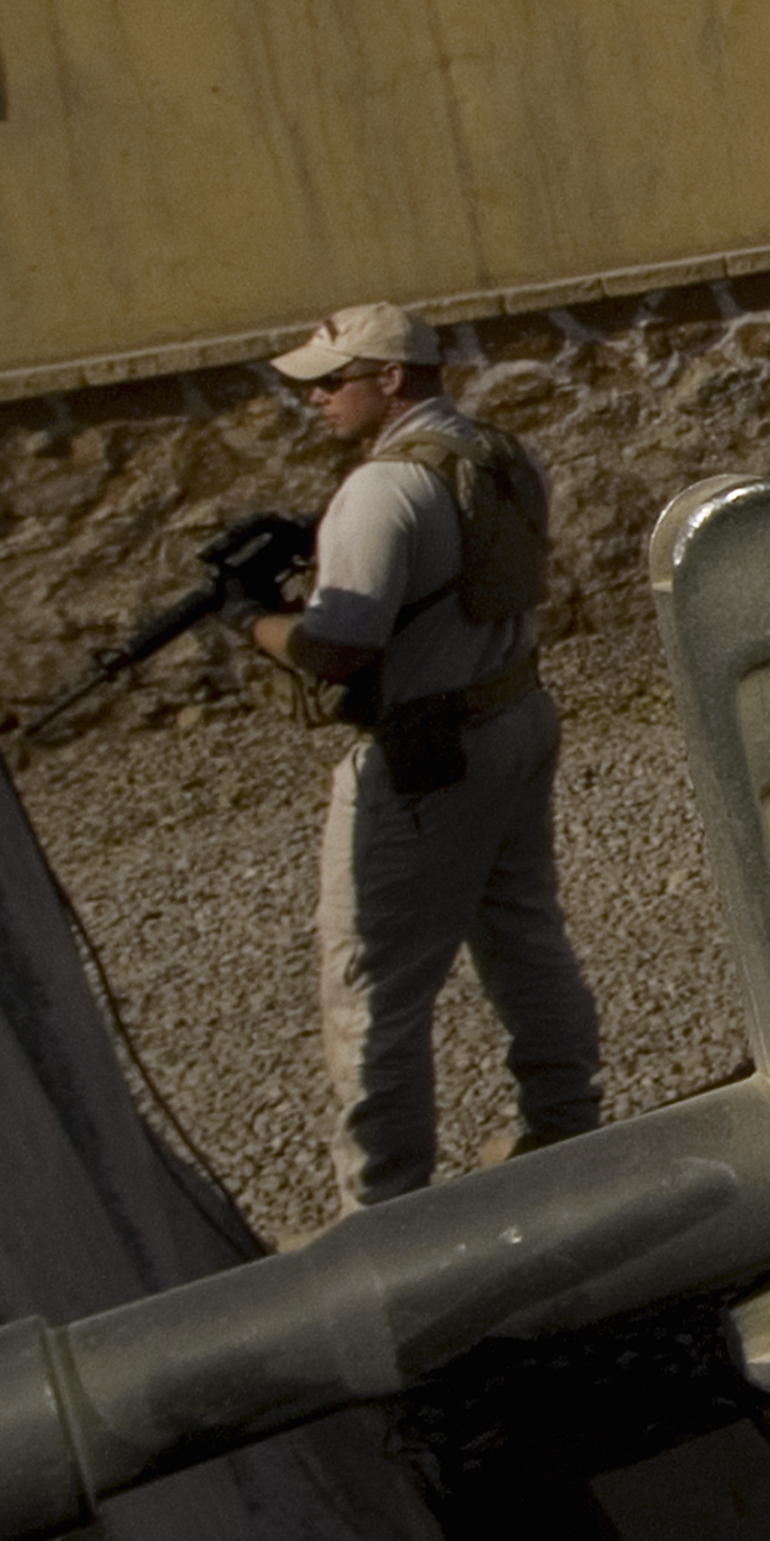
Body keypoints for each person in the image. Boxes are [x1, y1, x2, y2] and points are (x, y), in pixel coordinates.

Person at [248, 300, 606, 1213]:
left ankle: (385, 1208)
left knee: (372, 983)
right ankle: (568, 1126)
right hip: (514, 712)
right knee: (522, 929)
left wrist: (253, 622)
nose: (318, 400)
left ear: (391, 379)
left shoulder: (380, 491)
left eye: (333, 381)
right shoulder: (503, 454)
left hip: (425, 750)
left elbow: (340, 648)